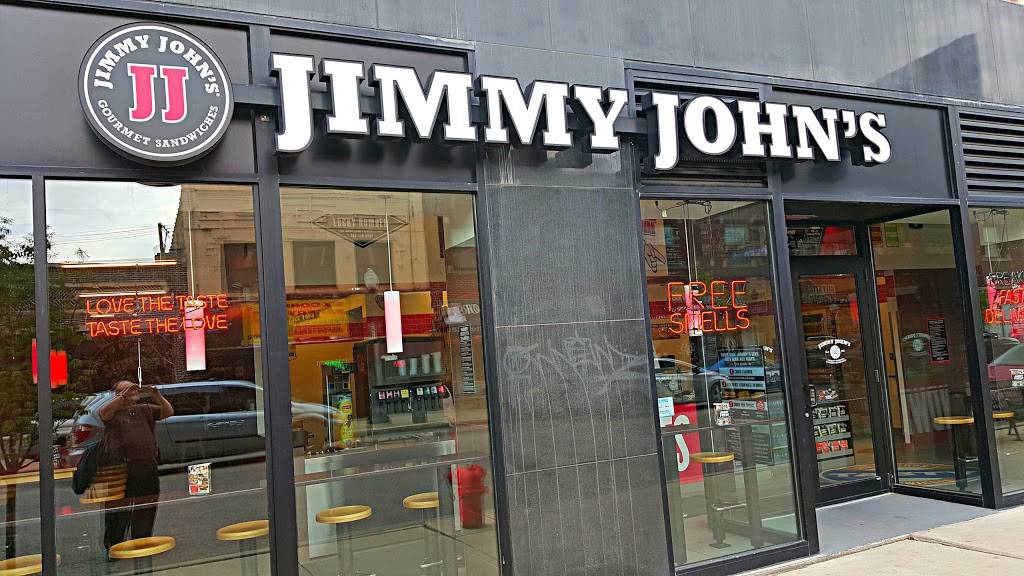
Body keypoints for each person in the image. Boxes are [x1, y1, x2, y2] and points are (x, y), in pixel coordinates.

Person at [96, 380, 174, 553]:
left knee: (146, 506)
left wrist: (156, 395)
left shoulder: (145, 409)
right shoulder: (114, 412)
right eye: (127, 389)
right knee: (118, 511)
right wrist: (122, 397)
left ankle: (141, 543)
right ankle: (114, 547)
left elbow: (168, 412)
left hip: (146, 466)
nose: (133, 391)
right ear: (118, 394)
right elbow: (103, 414)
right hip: (122, 468)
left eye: (134, 388)